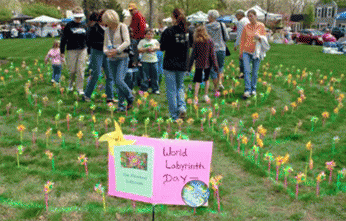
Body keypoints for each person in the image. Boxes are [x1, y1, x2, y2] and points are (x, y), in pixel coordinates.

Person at [160, 8, 193, 121]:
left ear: (173, 18)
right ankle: (182, 107)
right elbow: (191, 45)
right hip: (183, 63)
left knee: (171, 90)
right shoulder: (188, 31)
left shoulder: (168, 31)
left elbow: (162, 47)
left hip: (170, 64)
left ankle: (174, 115)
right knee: (180, 87)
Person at [102, 9, 134, 112]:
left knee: (119, 80)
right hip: (111, 59)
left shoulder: (122, 27)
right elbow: (105, 45)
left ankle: (130, 97)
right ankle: (121, 106)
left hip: (122, 58)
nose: (106, 24)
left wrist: (117, 50)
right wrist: (107, 52)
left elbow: (127, 41)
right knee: (117, 82)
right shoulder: (107, 30)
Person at [83, 10, 116, 104]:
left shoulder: (111, 28)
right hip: (97, 51)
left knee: (110, 75)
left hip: (108, 53)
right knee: (96, 74)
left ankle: (110, 97)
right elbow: (89, 41)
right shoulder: (94, 28)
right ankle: (87, 95)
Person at [239, 9, 267, 99]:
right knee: (247, 71)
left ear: (255, 16)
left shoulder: (261, 26)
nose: (250, 18)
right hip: (246, 51)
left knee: (254, 72)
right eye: (248, 16)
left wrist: (259, 38)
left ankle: (253, 89)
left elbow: (264, 39)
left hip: (256, 52)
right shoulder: (246, 27)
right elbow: (242, 40)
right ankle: (247, 89)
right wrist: (241, 52)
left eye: (251, 16)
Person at [60, 6, 88, 95]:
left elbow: (88, 38)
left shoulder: (84, 25)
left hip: (82, 50)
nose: (78, 19)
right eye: (77, 17)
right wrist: (62, 52)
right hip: (71, 50)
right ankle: (71, 84)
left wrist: (89, 50)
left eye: (80, 17)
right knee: (72, 70)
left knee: (80, 70)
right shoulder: (69, 25)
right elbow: (63, 39)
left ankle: (80, 89)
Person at [188, 25, 219, 104]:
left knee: (198, 81)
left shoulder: (196, 42)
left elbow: (193, 55)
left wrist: (189, 66)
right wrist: (215, 65)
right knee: (206, 79)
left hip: (198, 64)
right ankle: (205, 95)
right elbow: (213, 54)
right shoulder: (210, 41)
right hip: (207, 64)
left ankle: (195, 97)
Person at [206, 9, 229, 91]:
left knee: (212, 68)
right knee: (220, 66)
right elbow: (227, 37)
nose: (207, 17)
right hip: (222, 48)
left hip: (211, 49)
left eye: (208, 16)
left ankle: (215, 87)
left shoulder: (207, 26)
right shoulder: (222, 25)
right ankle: (220, 83)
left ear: (211, 17)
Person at [138, 28, 161, 94]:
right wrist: (146, 49)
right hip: (145, 61)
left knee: (155, 76)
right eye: (148, 34)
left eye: (151, 34)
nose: (150, 35)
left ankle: (155, 89)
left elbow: (159, 47)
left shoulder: (155, 41)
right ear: (145, 35)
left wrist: (154, 48)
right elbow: (139, 50)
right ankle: (144, 89)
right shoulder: (142, 41)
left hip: (154, 60)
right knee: (145, 76)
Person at [234, 9, 250, 79]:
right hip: (250, 42)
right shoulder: (248, 20)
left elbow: (240, 34)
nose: (236, 17)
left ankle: (243, 74)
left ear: (240, 15)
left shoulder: (241, 22)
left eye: (236, 15)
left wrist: (236, 45)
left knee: (242, 58)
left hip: (244, 42)